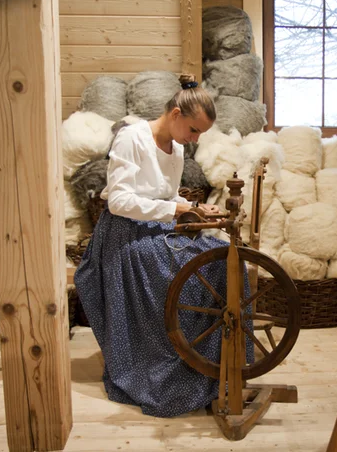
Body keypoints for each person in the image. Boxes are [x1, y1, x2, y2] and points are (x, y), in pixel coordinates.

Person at [74, 75, 251, 418]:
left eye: (200, 133)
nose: (196, 138)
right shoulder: (132, 137)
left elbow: (167, 197)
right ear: (174, 114)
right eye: (194, 129)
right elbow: (119, 202)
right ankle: (173, 362)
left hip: (154, 228)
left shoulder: (178, 148)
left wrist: (196, 209)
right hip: (124, 237)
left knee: (220, 260)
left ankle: (211, 363)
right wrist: (179, 209)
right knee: (201, 267)